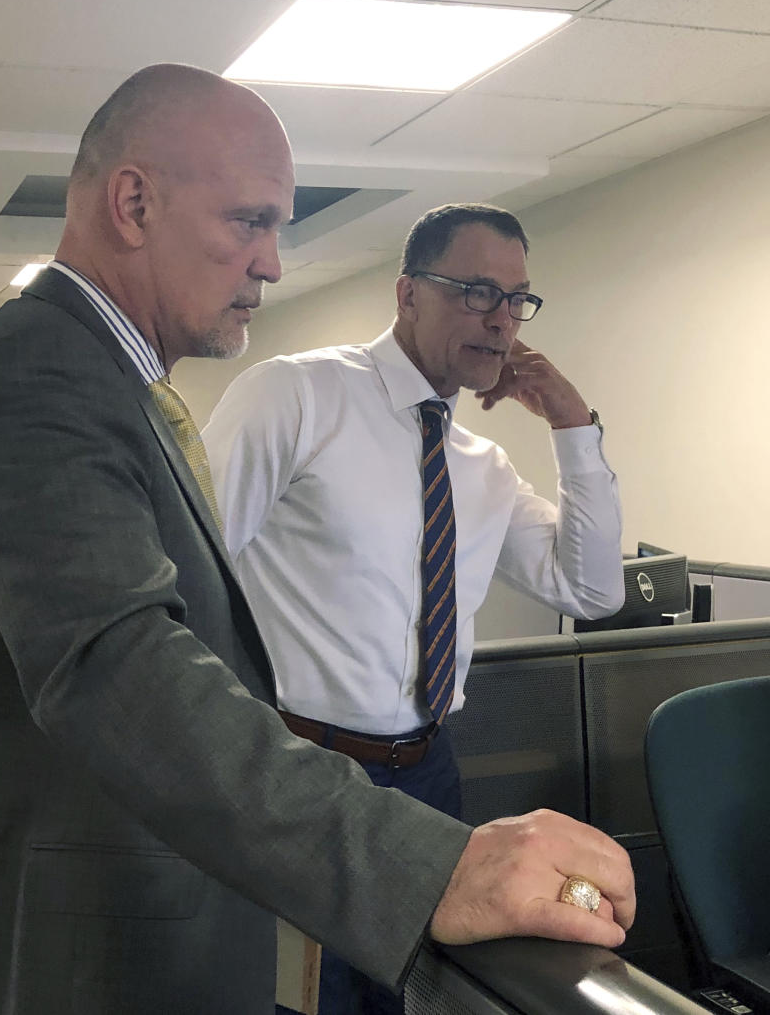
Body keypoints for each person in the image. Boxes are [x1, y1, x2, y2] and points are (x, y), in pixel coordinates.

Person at [0, 70, 633, 1015]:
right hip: (37, 942)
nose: (271, 263)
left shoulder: (112, 389)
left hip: (180, 869)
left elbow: (587, 587)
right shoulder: (37, 370)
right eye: (249, 223)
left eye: (279, 230)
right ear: (134, 202)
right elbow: (121, 666)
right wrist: (432, 868)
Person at [203, 202, 625, 1013]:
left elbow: (592, 588)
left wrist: (573, 424)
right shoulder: (296, 397)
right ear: (407, 294)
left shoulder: (483, 465)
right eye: (475, 291)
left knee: (409, 995)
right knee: (302, 1000)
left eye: (516, 300)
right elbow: (191, 572)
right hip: (304, 770)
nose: (501, 320)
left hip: (430, 771)